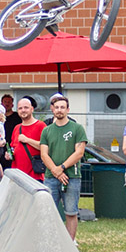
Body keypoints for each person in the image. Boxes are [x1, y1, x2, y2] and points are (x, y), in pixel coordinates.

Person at [39, 94, 88, 239]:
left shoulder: (77, 128)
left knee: (71, 212)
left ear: (68, 109)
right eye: (57, 107)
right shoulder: (47, 130)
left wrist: (61, 167)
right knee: (49, 212)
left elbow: (79, 152)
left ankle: (70, 242)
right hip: (50, 177)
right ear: (52, 109)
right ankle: (50, 241)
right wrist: (55, 171)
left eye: (62, 107)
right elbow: (44, 154)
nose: (59, 110)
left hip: (72, 177)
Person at [10, 96, 46, 182]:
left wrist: (27, 140)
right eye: (20, 108)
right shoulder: (17, 128)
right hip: (18, 175)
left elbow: (46, 148)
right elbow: (13, 147)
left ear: (32, 109)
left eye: (26, 107)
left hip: (35, 176)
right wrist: (9, 154)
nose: (23, 110)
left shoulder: (41, 126)